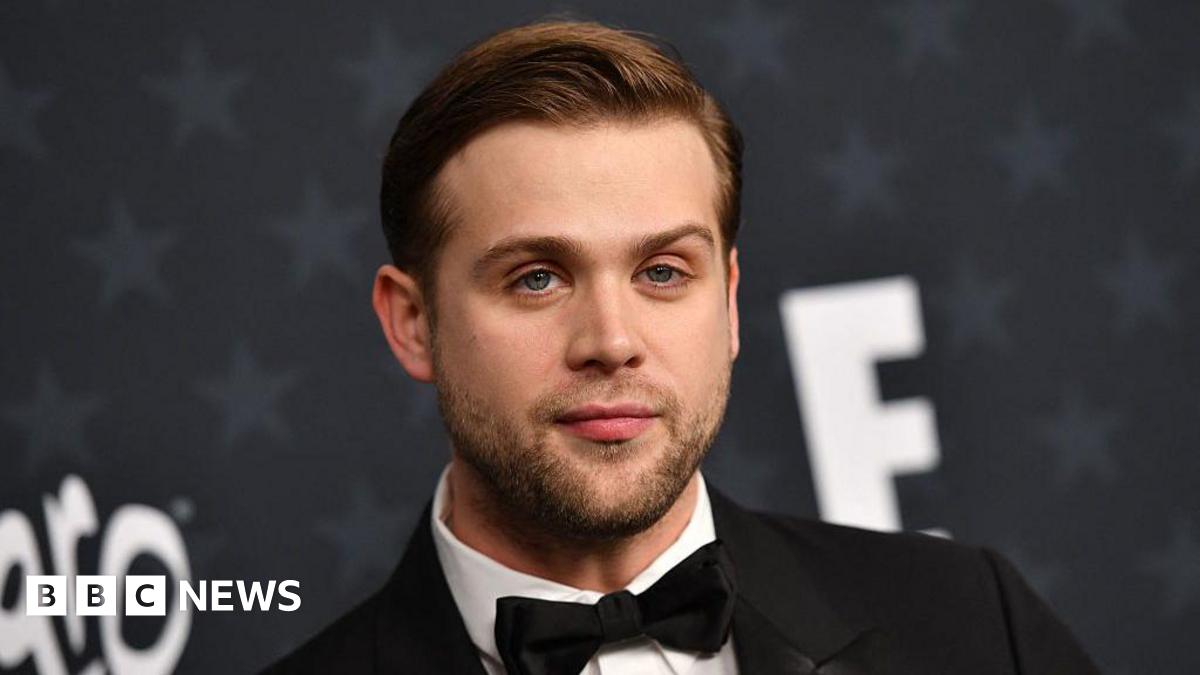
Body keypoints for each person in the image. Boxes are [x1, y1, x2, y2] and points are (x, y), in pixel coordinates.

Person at [264, 19, 1099, 675]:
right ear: (412, 321)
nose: (612, 342)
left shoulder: (975, 626)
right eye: (536, 279)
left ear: (729, 302)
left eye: (662, 272)